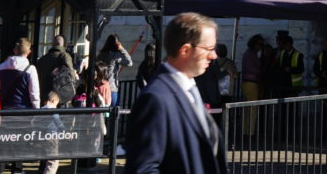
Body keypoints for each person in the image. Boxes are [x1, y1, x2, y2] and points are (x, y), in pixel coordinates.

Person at [125, 12, 227, 174]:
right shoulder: (155, 98)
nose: (213, 55)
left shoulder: (189, 88)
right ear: (185, 50)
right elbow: (143, 168)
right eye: (208, 48)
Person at [0, 38, 40, 174]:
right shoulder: (30, 69)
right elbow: (34, 93)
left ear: (14, 50)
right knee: (20, 140)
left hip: (5, 109)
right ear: (29, 52)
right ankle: (17, 169)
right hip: (23, 110)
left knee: (3, 140)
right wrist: (36, 111)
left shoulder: (2, 67)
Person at [97, 34, 133, 107]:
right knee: (114, 112)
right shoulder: (115, 55)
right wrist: (121, 48)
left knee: (101, 112)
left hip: (100, 86)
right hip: (111, 87)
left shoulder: (101, 54)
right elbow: (129, 62)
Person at [36, 35, 75, 100]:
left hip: (44, 94)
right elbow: (71, 74)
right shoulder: (65, 56)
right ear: (64, 45)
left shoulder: (43, 58)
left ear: (53, 44)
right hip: (60, 94)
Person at [240, 34, 270, 101]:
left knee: (248, 108)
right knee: (253, 108)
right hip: (251, 83)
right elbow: (253, 70)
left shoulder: (251, 53)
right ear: (254, 43)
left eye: (262, 44)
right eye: (260, 44)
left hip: (248, 83)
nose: (261, 46)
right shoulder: (251, 54)